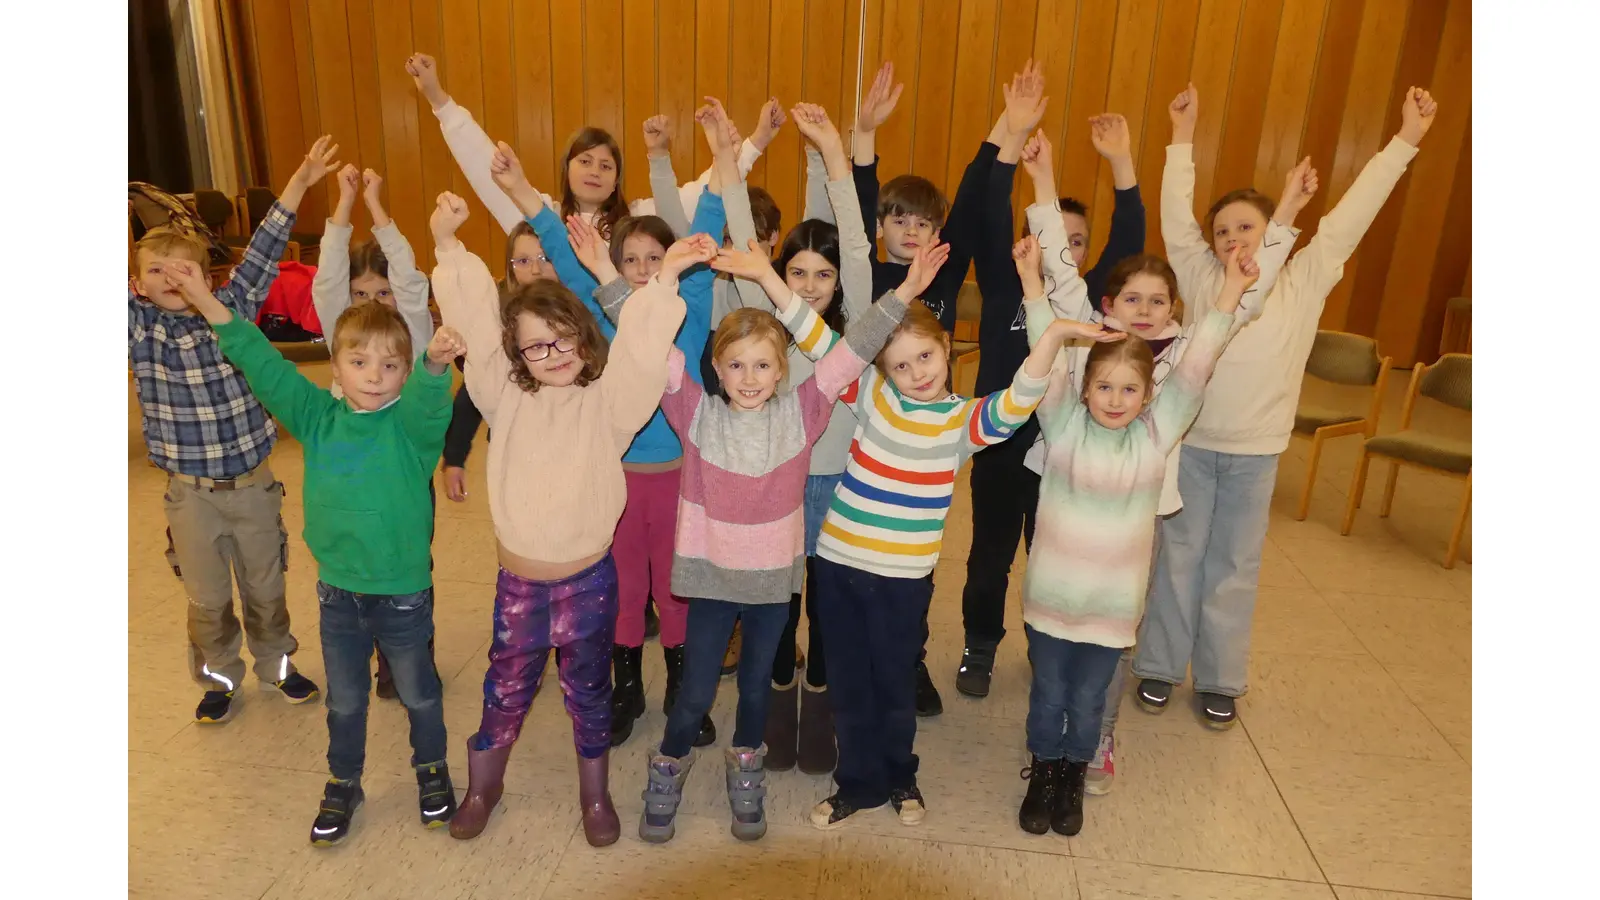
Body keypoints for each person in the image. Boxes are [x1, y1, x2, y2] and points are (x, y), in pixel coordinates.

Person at [1133, 84, 1438, 729]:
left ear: (1273, 232)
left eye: (1247, 227)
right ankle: (1158, 664)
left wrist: (1404, 141)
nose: (1232, 239)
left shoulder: (1305, 275)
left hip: (1255, 452)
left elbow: (1353, 215)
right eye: (1222, 231)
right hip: (1190, 443)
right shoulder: (1197, 274)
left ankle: (1218, 678)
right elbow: (1173, 211)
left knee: (1234, 565)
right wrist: (1180, 137)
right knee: (1178, 555)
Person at [633, 223, 945, 845]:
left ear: (783, 371)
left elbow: (851, 350)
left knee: (754, 686)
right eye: (736, 365)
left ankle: (747, 773)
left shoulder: (804, 412)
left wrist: (906, 289)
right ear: (717, 369)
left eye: (764, 366)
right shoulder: (694, 412)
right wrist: (661, 277)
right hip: (711, 580)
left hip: (773, 583)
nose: (750, 378)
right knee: (694, 690)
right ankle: (667, 767)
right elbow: (647, 341)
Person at [1017, 128, 1305, 792]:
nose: (1142, 312)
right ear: (1108, 304)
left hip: (1135, 507)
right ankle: (1048, 735)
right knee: (1056, 619)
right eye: (1130, 300)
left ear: (1172, 309)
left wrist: (1271, 233)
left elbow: (1231, 314)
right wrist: (1042, 178)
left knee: (1115, 628)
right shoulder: (1084, 349)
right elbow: (1058, 278)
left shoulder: (1174, 361)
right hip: (1069, 491)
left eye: (1156, 301)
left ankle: (1096, 737)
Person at [431, 177, 707, 846]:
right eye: (534, 346)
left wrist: (663, 277)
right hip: (521, 582)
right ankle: (483, 784)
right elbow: (473, 320)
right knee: (507, 685)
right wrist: (446, 243)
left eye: (563, 342)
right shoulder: (504, 395)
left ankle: (595, 796)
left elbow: (642, 351)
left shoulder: (609, 405)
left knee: (588, 690)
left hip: (588, 579)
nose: (550, 357)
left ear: (585, 340)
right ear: (516, 351)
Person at [170, 256, 463, 846]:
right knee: (347, 700)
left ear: (404, 372)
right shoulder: (318, 418)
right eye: (359, 362)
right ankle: (343, 779)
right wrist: (206, 299)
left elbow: (433, 405)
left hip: (403, 593)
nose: (374, 375)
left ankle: (431, 769)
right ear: (335, 366)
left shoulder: (410, 429)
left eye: (390, 364)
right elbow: (261, 363)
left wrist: (434, 366)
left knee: (420, 692)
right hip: (338, 594)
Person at [1015, 237, 1261, 839]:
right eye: (1104, 387)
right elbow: (1042, 358)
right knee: (1047, 695)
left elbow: (1197, 363)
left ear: (1151, 397)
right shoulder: (1062, 425)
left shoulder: (1157, 439)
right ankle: (1044, 768)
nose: (1116, 399)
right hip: (1050, 606)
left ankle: (1073, 773)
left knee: (1090, 700)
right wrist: (1031, 286)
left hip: (1111, 612)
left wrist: (1231, 290)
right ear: (1083, 390)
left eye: (1130, 390)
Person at [954, 62, 1148, 704]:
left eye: (1076, 241)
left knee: (1051, 558)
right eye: (1049, 234)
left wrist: (1122, 165)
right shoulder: (1006, 278)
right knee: (988, 557)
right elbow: (985, 206)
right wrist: (1013, 134)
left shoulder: (1089, 294)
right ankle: (980, 645)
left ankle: (1047, 646)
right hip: (1001, 444)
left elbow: (1130, 236)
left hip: (1064, 451)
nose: (1061, 246)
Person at [128, 136, 333, 724]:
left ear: (207, 275)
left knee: (266, 586)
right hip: (190, 496)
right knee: (209, 597)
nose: (172, 277)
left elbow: (267, 247)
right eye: (156, 272)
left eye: (184, 268)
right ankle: (219, 678)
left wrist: (299, 180)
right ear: (137, 284)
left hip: (252, 485)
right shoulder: (141, 329)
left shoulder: (232, 306)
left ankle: (278, 666)